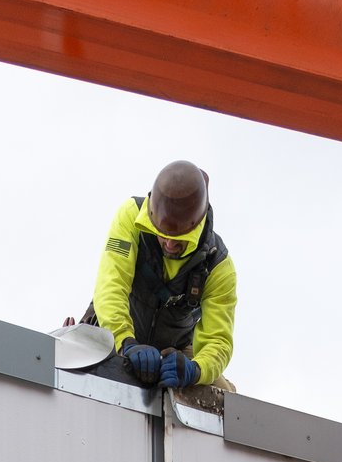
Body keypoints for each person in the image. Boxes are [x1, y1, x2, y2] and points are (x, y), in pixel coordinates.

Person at [84, 160, 236, 392]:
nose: (169, 243)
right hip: (111, 329)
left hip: (174, 350)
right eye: (161, 234)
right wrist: (126, 342)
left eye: (179, 240)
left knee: (224, 396)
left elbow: (218, 341)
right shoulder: (130, 216)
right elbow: (110, 286)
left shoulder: (218, 264)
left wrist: (194, 370)